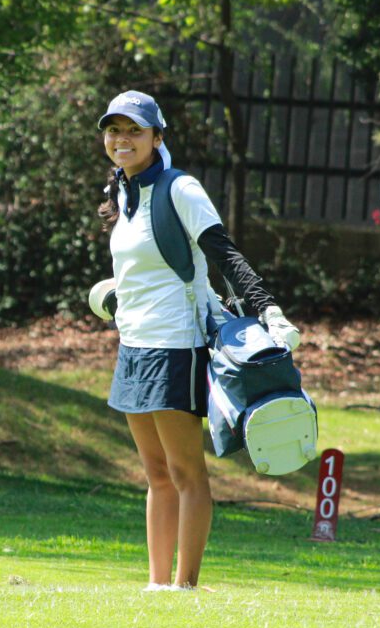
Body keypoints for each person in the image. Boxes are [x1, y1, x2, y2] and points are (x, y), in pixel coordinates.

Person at [92, 90, 300, 591]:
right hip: (134, 346)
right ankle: (156, 585)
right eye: (114, 130)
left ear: (156, 137)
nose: (122, 139)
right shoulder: (121, 193)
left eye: (134, 130)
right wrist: (114, 294)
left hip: (177, 346)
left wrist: (267, 308)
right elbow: (147, 268)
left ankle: (185, 587)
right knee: (156, 475)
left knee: (186, 472)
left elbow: (223, 253)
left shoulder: (180, 187)